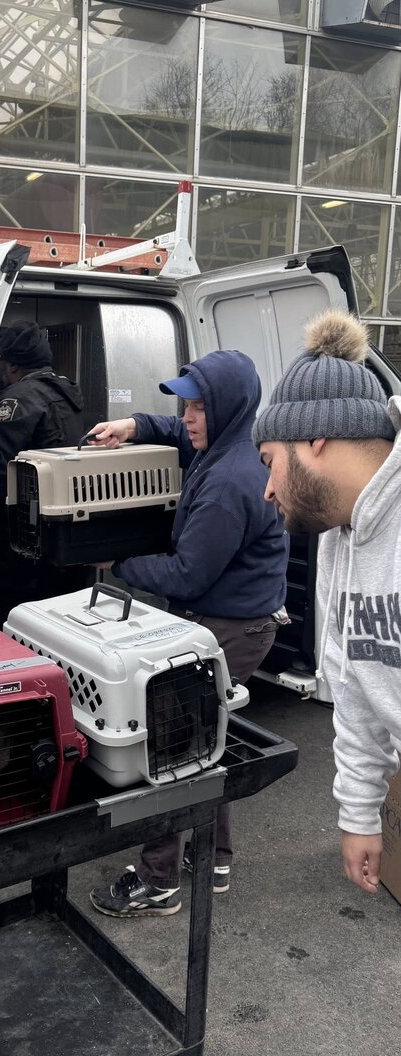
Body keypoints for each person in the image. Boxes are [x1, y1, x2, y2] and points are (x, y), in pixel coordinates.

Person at [86, 350, 289, 917]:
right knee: (206, 743)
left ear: (224, 409)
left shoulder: (228, 483)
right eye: (187, 404)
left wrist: (120, 563)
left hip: (229, 628)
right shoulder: (228, 442)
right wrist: (137, 424)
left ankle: (158, 881)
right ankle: (215, 857)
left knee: (172, 748)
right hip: (238, 619)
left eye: (199, 406)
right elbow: (177, 431)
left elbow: (188, 575)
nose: (189, 416)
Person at [253, 309, 400, 895]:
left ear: (314, 438)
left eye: (270, 462)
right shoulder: (341, 538)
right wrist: (360, 811)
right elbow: (356, 684)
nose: (266, 488)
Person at [0, 320, 87, 628]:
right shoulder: (66, 393)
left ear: (13, 366)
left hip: (25, 538)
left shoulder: (17, 400)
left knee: (9, 614)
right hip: (63, 532)